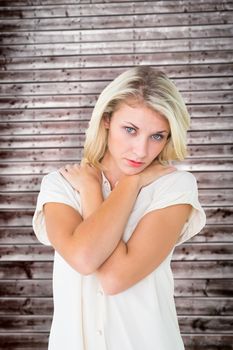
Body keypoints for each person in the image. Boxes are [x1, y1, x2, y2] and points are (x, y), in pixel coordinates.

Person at [32, 66, 206, 350]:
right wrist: (94, 187)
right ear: (106, 120)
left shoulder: (174, 186)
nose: (141, 151)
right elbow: (85, 258)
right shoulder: (60, 185)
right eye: (130, 130)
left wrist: (127, 184)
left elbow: (114, 278)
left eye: (157, 136)